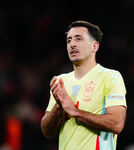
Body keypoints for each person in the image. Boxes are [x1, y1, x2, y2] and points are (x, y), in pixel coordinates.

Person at [41, 20, 127, 150]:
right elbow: (47, 132)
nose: (72, 44)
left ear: (95, 46)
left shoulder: (110, 77)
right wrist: (59, 106)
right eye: (69, 40)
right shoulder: (61, 81)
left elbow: (117, 124)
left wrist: (75, 112)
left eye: (78, 39)